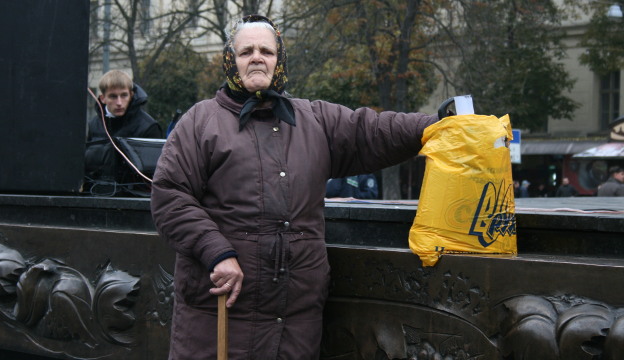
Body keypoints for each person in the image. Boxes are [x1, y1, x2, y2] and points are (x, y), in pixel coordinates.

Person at [149, 15, 438, 360]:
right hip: (220, 315)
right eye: (246, 51)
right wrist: (217, 251)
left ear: (279, 60)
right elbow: (169, 196)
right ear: (231, 60)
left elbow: (372, 130)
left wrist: (437, 127)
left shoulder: (314, 119)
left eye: (266, 51)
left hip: (294, 323)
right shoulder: (201, 121)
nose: (257, 57)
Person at [85, 70, 163, 185]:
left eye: (124, 95)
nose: (119, 102)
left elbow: (156, 173)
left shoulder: (148, 126)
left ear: (131, 95)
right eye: (113, 96)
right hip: (95, 192)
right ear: (103, 98)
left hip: (134, 196)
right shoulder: (94, 125)